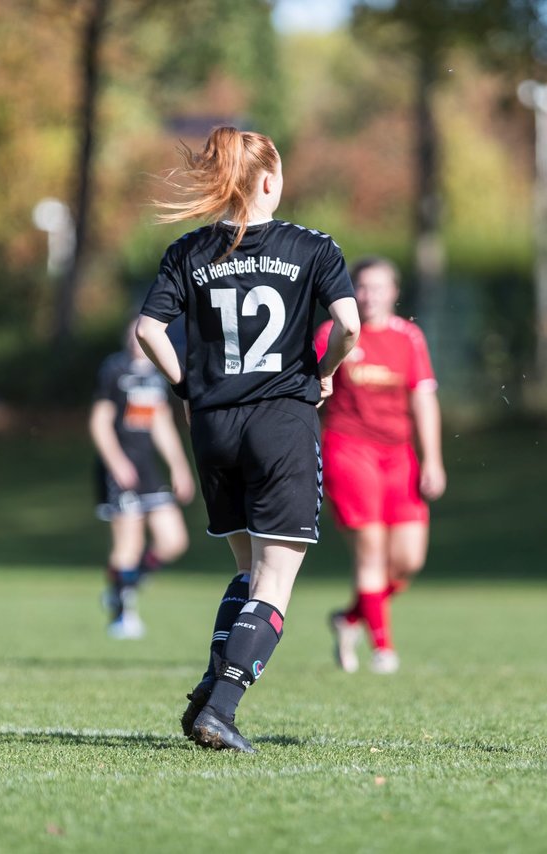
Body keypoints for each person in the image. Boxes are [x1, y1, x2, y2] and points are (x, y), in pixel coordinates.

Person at [136, 126, 360, 752]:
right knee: (274, 583)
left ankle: (210, 687)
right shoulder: (311, 247)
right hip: (279, 422)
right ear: (268, 180)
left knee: (246, 571)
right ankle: (222, 708)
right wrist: (323, 374)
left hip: (213, 429)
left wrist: (188, 387)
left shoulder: (189, 250)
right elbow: (348, 326)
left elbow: (149, 331)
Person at [317, 257, 445, 674]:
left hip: (399, 456)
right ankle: (383, 649)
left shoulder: (409, 337)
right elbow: (311, 388)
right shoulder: (333, 333)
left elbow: (422, 399)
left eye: (378, 287)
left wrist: (433, 461)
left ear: (395, 292)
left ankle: (349, 618)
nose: (369, 296)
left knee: (408, 560)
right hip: (349, 450)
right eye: (362, 287)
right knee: (371, 551)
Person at [90, 322, 195, 639]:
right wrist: (116, 462)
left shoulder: (156, 373)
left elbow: (160, 422)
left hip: (148, 469)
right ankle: (121, 616)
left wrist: (179, 466)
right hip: (119, 469)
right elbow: (99, 422)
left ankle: (125, 585)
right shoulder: (114, 369)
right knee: (129, 543)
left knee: (173, 540)